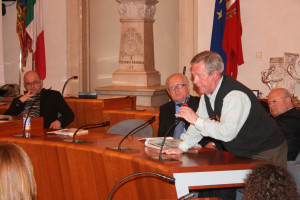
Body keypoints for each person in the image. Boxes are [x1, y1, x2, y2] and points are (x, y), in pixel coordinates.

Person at [164, 51, 287, 168]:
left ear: (215, 75)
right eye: (193, 76)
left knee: (265, 189)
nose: (195, 81)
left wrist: (197, 120)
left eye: (200, 76)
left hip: (267, 149)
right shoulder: (207, 94)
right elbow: (198, 127)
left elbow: (226, 133)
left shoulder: (234, 95)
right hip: (243, 151)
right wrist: (182, 147)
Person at [4, 71, 74, 129]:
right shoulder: (19, 100)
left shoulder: (52, 95)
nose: (32, 86)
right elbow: (4, 119)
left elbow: (69, 114)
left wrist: (59, 121)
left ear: (41, 82)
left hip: (42, 132)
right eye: (28, 84)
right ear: (25, 86)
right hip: (18, 131)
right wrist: (19, 101)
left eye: (35, 82)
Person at [158, 73, 200, 139]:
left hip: (195, 145)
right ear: (169, 93)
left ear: (188, 88)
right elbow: (161, 136)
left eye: (180, 85)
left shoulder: (200, 103)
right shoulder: (165, 109)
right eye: (172, 87)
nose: (176, 90)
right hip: (171, 146)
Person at [268, 88, 300, 161]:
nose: (271, 106)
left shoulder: (294, 117)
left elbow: (269, 133)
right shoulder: (278, 117)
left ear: (287, 101)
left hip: (285, 166)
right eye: (269, 103)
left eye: (274, 101)